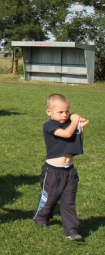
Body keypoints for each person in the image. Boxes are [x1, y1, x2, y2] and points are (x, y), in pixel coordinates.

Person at [33, 94, 89, 242]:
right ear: (49, 112)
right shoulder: (49, 126)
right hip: (52, 171)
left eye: (67, 111)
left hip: (69, 171)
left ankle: (71, 230)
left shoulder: (68, 124)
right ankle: (41, 216)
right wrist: (74, 121)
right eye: (60, 112)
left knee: (68, 202)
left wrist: (80, 128)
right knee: (50, 198)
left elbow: (77, 141)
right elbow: (66, 134)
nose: (65, 115)